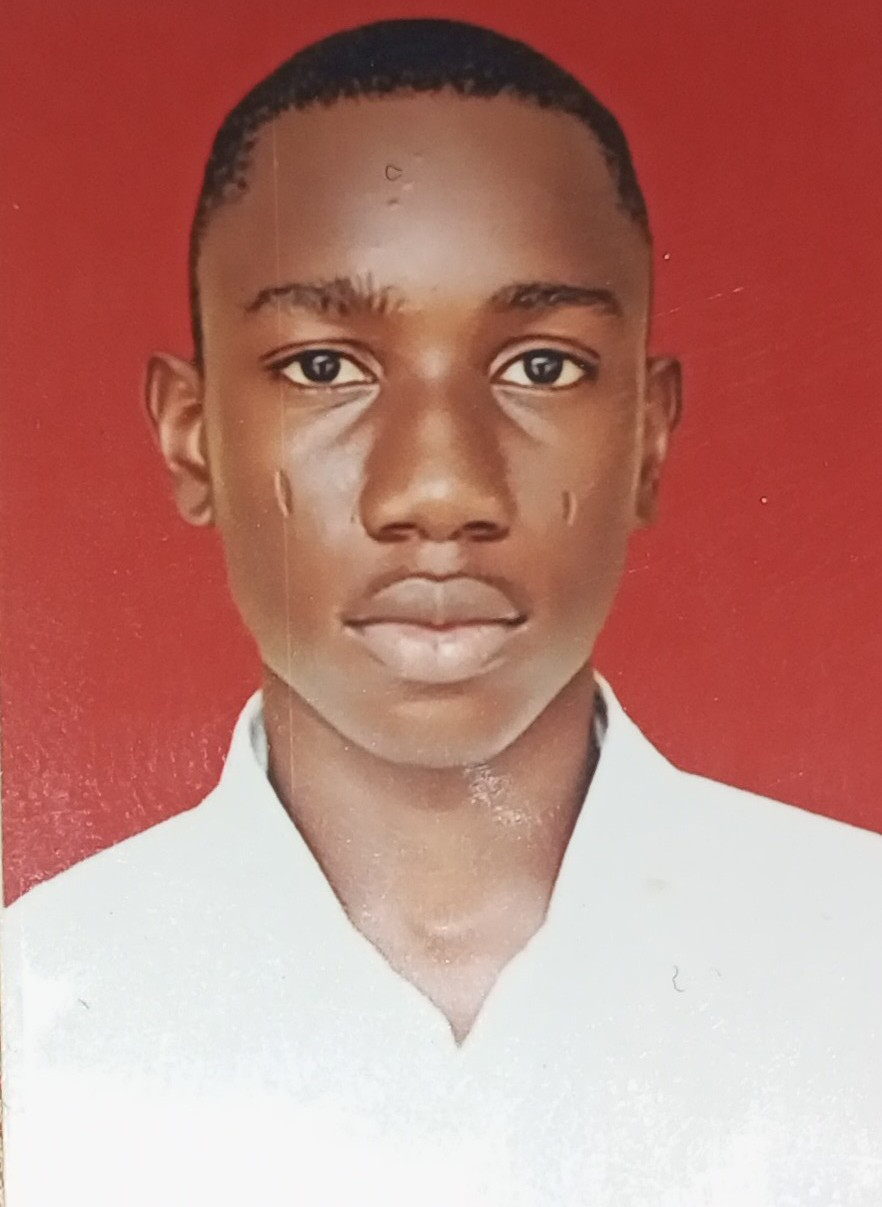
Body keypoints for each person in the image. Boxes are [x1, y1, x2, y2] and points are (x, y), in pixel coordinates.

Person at [2, 17, 881, 1207]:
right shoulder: (29, 1021)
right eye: (324, 367)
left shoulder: (858, 962)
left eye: (541, 367)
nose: (438, 489)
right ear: (191, 436)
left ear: (649, 435)